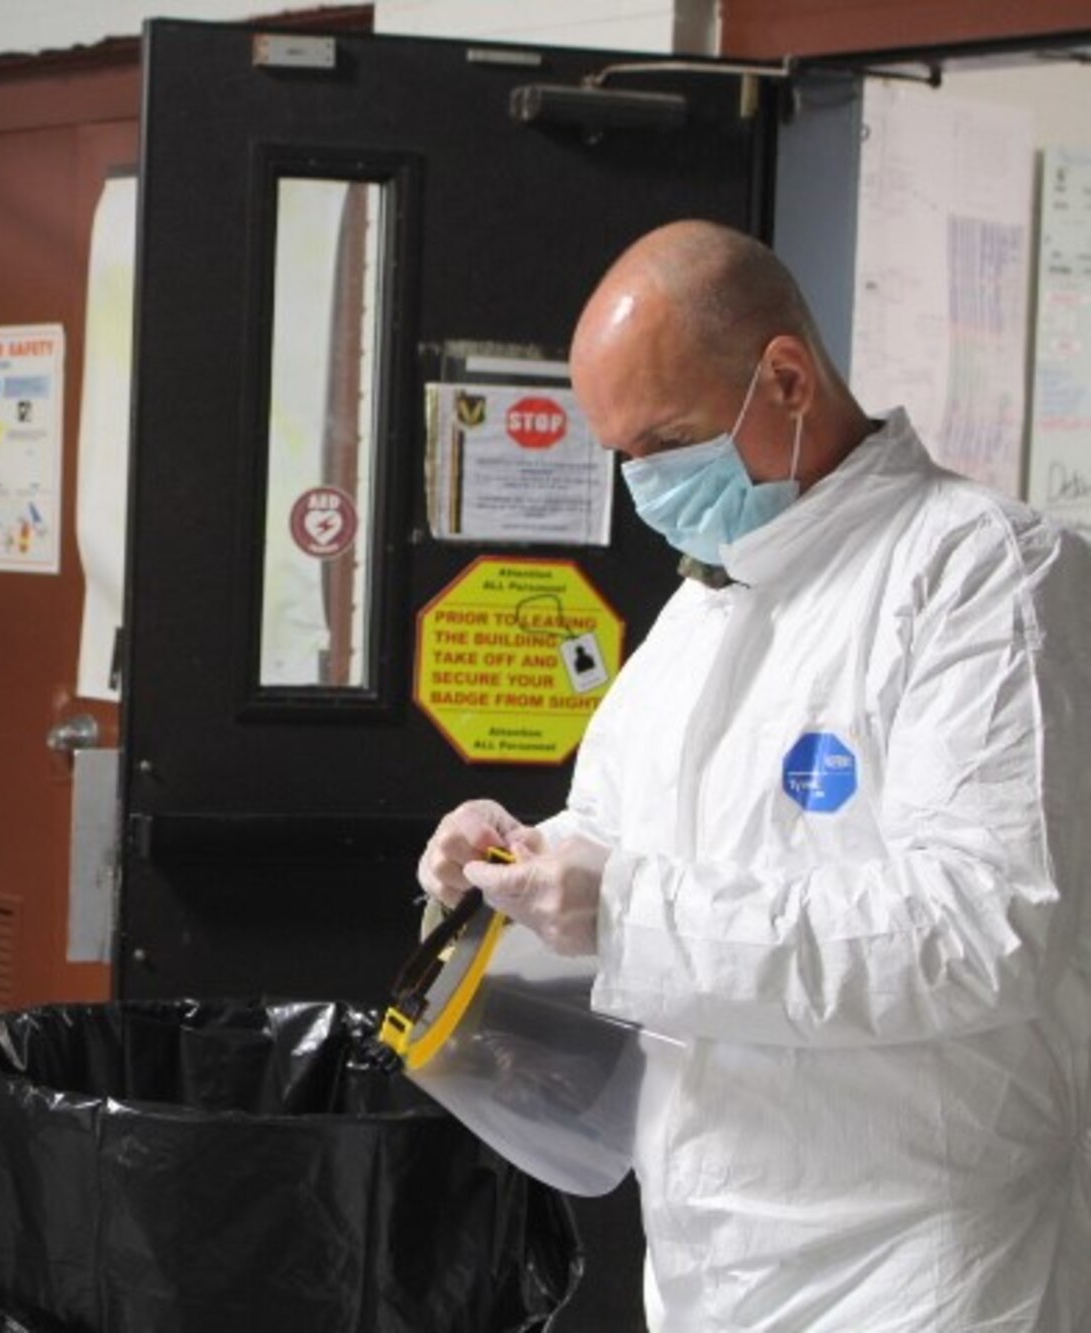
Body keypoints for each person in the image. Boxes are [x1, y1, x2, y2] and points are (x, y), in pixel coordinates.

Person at [417, 220, 1091, 1331]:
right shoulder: (703, 607)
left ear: (783, 376)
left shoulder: (982, 573)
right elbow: (619, 845)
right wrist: (506, 867)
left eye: (666, 441)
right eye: (622, 452)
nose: (644, 484)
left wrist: (622, 908)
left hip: (919, 1259)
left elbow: (987, 927)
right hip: (709, 1250)